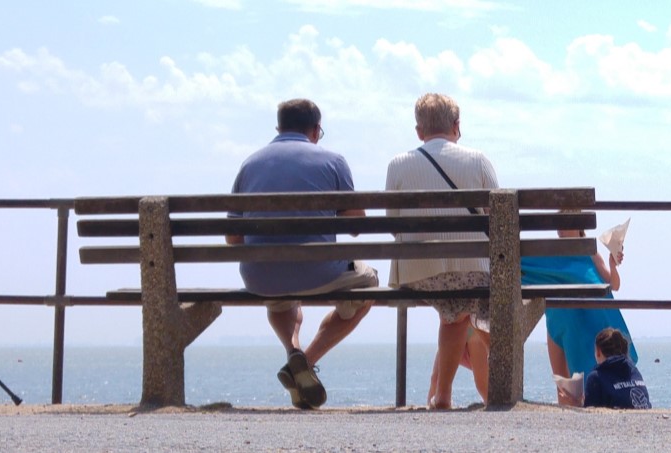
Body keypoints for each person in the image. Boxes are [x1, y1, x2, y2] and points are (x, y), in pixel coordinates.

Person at [227, 99, 379, 410]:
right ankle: (306, 361)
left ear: (278, 129)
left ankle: (294, 353)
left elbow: (233, 237)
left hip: (262, 275)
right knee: (369, 283)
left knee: (280, 296)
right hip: (321, 272)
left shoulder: (250, 164)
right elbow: (356, 226)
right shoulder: (333, 161)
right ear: (315, 130)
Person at [386, 93, 499, 409]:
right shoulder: (477, 160)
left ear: (419, 131)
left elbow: (394, 227)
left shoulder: (398, 165)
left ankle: (443, 396)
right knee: (467, 301)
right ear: (457, 125)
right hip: (473, 272)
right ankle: (499, 389)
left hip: (420, 275)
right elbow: (498, 220)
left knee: (455, 313)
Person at [524, 216, 637, 407]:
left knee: (574, 385)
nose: (560, 230)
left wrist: (612, 263)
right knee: (563, 386)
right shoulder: (552, 253)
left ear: (578, 228)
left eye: (565, 225)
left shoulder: (589, 252)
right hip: (561, 319)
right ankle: (569, 418)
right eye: (558, 226)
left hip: (582, 321)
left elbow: (614, 285)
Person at [581, 328, 650, 410]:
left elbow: (590, 417)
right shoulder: (634, 371)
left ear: (598, 352)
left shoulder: (596, 378)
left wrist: (576, 403)